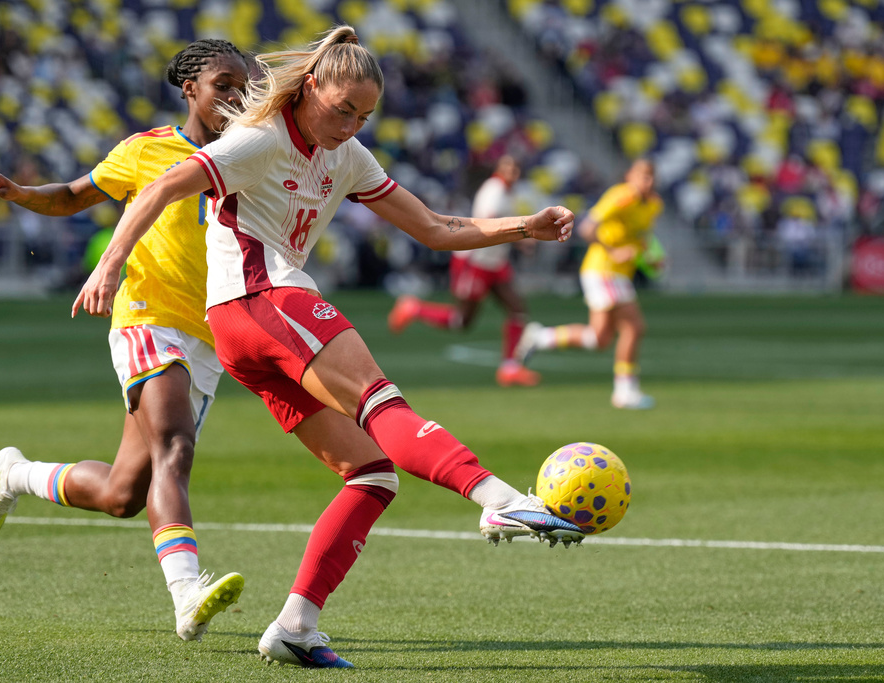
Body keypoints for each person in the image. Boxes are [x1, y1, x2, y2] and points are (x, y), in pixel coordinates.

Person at [75, 26, 584, 669]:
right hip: (263, 299)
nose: (350, 126)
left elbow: (432, 227)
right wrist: (109, 263)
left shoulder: (347, 154)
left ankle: (295, 627)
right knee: (381, 403)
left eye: (364, 116)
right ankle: (501, 502)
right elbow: (161, 186)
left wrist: (524, 227)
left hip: (246, 329)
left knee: (371, 473)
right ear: (311, 85)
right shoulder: (260, 136)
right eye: (342, 110)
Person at [0, 39, 254, 643]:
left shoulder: (254, 153)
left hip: (208, 333)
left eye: (243, 86)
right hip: (147, 317)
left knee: (125, 493)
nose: (235, 96)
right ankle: (186, 594)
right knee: (175, 445)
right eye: (223, 83)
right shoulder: (146, 151)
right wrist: (19, 193)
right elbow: (73, 196)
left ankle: (16, 475)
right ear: (190, 88)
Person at [514, 158, 663, 409]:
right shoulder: (621, 196)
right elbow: (588, 228)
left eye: (651, 176)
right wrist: (613, 251)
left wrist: (651, 257)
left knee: (599, 339)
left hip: (616, 273)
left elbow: (640, 238)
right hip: (603, 268)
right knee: (633, 327)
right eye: (642, 175)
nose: (647, 181)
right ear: (629, 175)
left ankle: (541, 337)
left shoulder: (653, 205)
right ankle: (625, 391)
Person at [387, 154, 541, 387]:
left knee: (517, 310)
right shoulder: (494, 191)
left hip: (494, 261)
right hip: (475, 261)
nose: (514, 173)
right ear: (499, 169)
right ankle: (414, 308)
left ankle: (510, 368)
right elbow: (490, 221)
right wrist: (523, 239)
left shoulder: (509, 192)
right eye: (509, 168)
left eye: (517, 168)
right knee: (462, 321)